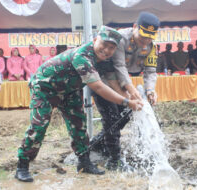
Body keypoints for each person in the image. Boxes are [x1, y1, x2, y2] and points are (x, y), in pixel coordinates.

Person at [15, 26, 143, 182]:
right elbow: (98, 86)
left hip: (70, 90)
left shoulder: (105, 60)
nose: (106, 50)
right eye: (104, 44)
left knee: (79, 125)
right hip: (45, 88)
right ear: (95, 40)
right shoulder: (82, 55)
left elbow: (112, 81)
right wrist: (127, 102)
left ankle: (84, 163)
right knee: (39, 126)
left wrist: (129, 98)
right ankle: (22, 165)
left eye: (111, 48)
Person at [90, 12, 160, 171]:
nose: (145, 41)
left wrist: (150, 90)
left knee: (123, 115)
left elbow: (150, 70)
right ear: (135, 27)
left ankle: (98, 145)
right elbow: (119, 65)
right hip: (103, 79)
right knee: (111, 116)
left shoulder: (151, 47)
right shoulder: (120, 39)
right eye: (143, 36)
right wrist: (130, 90)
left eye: (150, 37)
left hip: (120, 81)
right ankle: (114, 160)